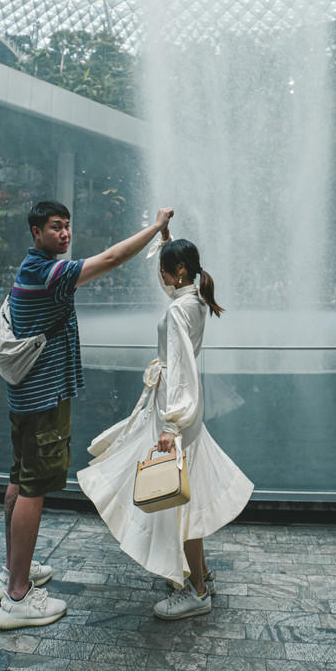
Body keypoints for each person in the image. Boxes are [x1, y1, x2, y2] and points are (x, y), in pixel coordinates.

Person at [0, 199, 176, 631]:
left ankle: (12, 571)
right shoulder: (50, 274)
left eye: (67, 227)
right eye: (55, 228)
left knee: (19, 481)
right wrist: (155, 229)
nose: (65, 234)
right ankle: (18, 596)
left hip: (24, 398)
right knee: (35, 490)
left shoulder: (29, 269)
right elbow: (112, 258)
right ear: (36, 232)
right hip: (44, 401)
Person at [77, 226, 254, 622]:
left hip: (173, 412)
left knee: (179, 501)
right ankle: (199, 574)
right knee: (183, 495)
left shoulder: (178, 309)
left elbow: (179, 369)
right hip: (178, 411)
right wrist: (167, 238)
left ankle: (197, 590)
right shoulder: (194, 300)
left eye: (163, 271)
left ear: (177, 272)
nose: (159, 279)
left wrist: (171, 427)